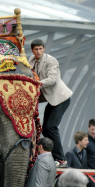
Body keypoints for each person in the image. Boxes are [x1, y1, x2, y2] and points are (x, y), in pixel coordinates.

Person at [29, 39, 72, 168]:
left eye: (40, 48)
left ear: (44, 48)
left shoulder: (51, 61)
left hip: (61, 98)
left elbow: (52, 79)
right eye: (36, 49)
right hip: (51, 99)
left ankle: (62, 159)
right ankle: (54, 157)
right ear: (32, 50)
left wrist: (37, 84)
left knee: (52, 127)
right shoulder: (31, 60)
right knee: (45, 129)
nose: (38, 51)